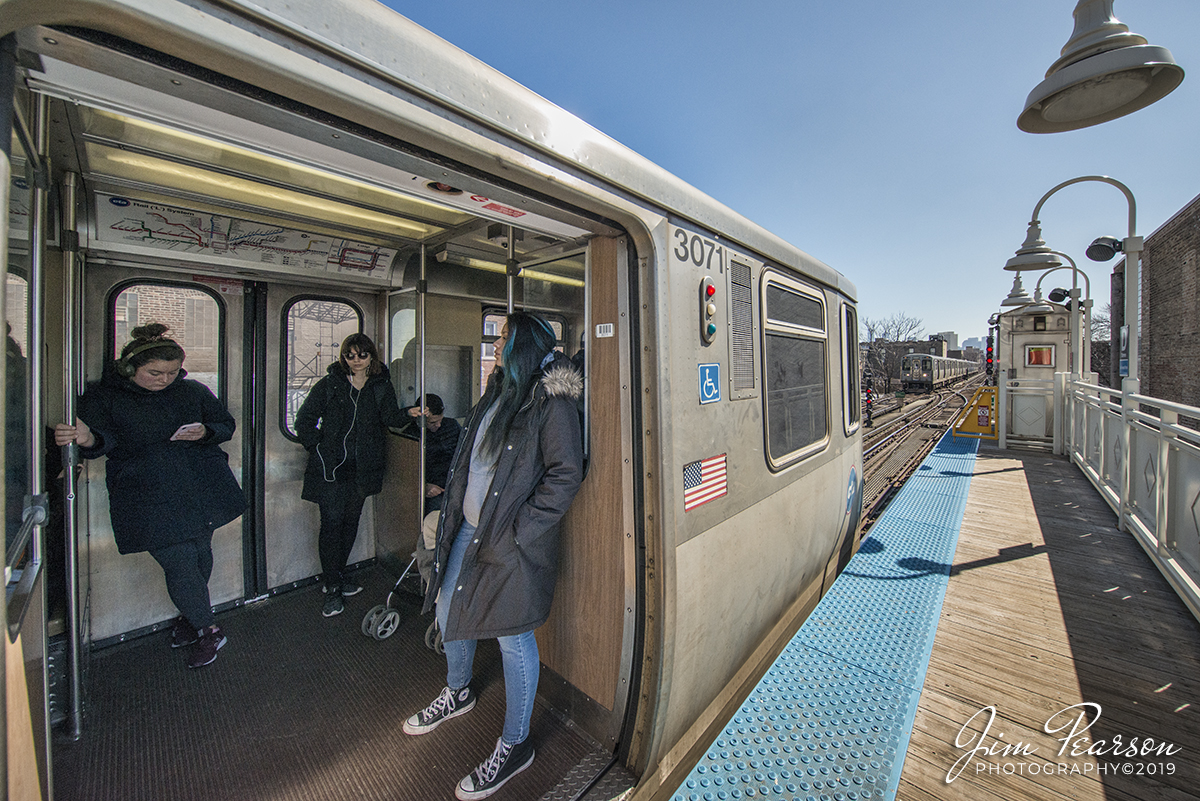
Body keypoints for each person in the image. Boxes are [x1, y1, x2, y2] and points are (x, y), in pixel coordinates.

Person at [402, 311, 584, 801]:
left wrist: (521, 530)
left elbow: (565, 474)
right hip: (467, 527)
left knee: (510, 633)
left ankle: (516, 744)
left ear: (523, 343)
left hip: (506, 537)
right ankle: (458, 690)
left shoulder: (553, 399)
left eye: (504, 337)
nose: (498, 344)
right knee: (446, 607)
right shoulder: (500, 388)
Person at [54, 323, 245, 669]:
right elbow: (102, 441)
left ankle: (190, 617)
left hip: (200, 486)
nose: (164, 379)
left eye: (172, 372)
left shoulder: (193, 391)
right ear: (129, 369)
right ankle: (208, 629)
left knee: (201, 554)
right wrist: (86, 439)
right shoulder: (104, 398)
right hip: (147, 494)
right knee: (180, 561)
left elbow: (225, 425)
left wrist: (206, 431)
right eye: (154, 372)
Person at [295, 333, 405, 618]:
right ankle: (332, 587)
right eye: (349, 355)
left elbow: (391, 418)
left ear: (372, 356)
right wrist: (319, 447)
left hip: (363, 469)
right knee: (331, 524)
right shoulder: (330, 385)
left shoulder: (381, 386)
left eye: (362, 355)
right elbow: (304, 420)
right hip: (330, 469)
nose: (356, 361)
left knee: (350, 522)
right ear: (343, 358)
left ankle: (338, 576)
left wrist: (414, 415)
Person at [401, 393, 463, 513]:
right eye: (433, 423)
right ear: (420, 420)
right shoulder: (410, 437)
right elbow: (406, 473)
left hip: (455, 482)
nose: (438, 425)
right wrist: (424, 486)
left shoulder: (452, 426)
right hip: (433, 488)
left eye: (440, 420)